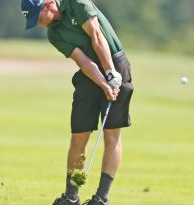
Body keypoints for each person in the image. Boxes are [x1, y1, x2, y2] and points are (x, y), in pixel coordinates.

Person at [21, 0, 133, 204]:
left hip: (114, 61)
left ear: (47, 5)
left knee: (111, 134)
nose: (38, 23)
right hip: (89, 74)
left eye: (37, 18)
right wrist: (103, 83)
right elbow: (82, 60)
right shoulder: (54, 34)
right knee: (78, 135)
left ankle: (101, 198)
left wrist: (110, 72)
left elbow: (97, 36)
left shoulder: (76, 2)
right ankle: (71, 197)